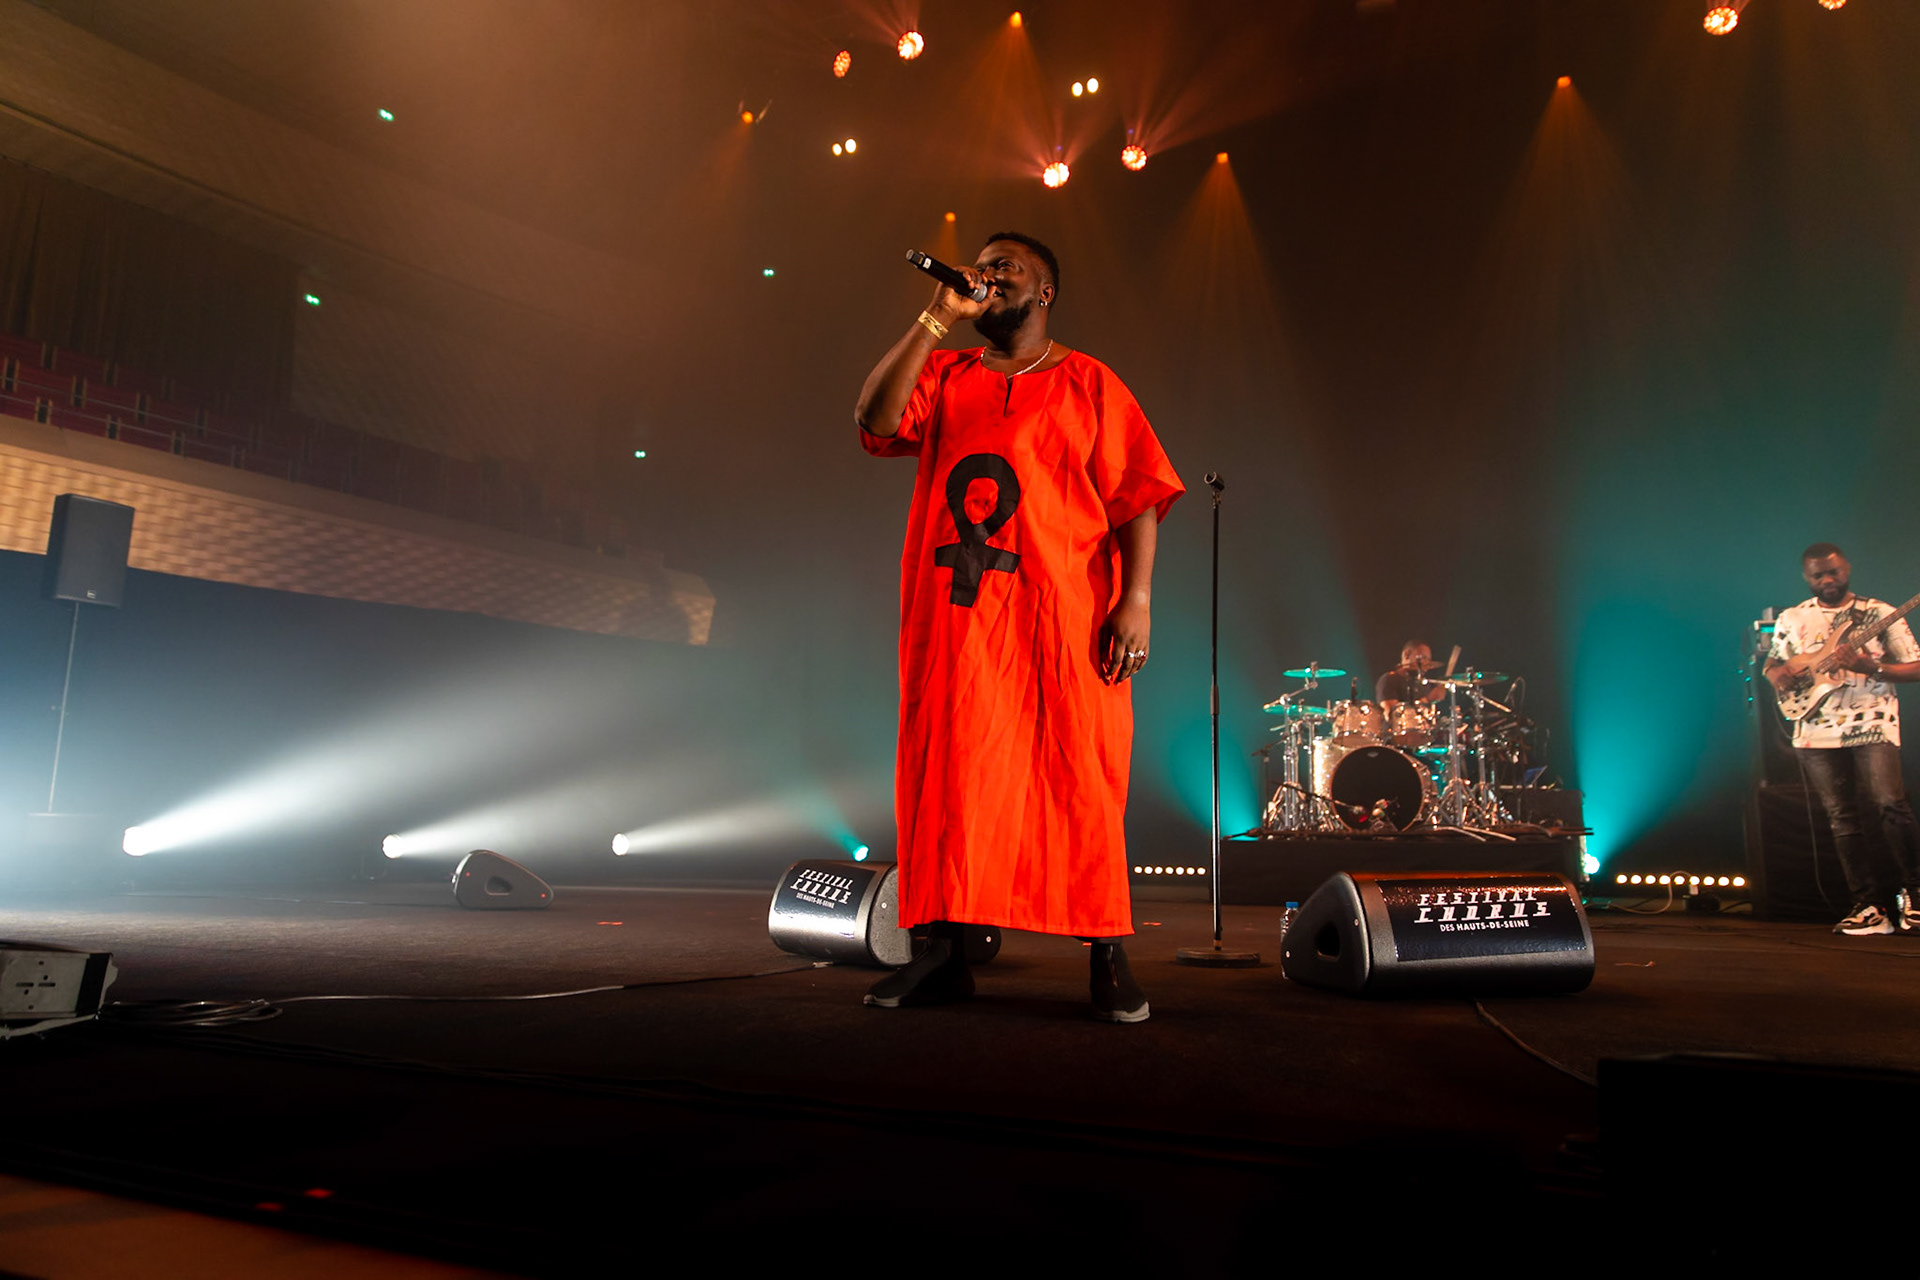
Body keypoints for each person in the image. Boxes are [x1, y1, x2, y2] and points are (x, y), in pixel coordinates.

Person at [852, 232, 1184, 1021]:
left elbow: (1137, 498)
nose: (988, 273)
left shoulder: (1090, 383)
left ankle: (1106, 956)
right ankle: (942, 955)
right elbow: (875, 418)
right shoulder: (944, 372)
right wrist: (936, 318)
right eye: (982, 263)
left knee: (1080, 778)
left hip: (1061, 617)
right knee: (948, 782)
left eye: (1008, 267)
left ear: (1046, 293)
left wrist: (1135, 600)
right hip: (958, 622)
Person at [1763, 542, 1920, 935]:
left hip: (1873, 719)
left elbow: (1916, 666)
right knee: (1841, 817)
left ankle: (1916, 895)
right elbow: (1773, 660)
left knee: (1890, 804)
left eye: (1834, 572)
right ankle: (1868, 906)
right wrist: (1774, 674)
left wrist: (1874, 667)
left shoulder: (1878, 612)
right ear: (1807, 577)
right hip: (1816, 724)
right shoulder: (1793, 617)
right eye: (1819, 575)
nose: (1828, 580)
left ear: (1847, 568)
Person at [1375, 640, 1446, 709]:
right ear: (1407, 654)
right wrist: (1427, 699)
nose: (1427, 663)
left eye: (1428, 659)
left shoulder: (1423, 683)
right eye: (1423, 658)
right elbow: (1393, 715)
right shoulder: (1389, 680)